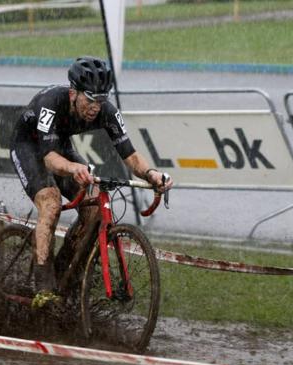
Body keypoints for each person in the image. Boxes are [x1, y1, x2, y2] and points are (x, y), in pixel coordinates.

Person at [10, 56, 174, 308]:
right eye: (90, 99)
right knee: (51, 202)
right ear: (73, 93)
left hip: (60, 145)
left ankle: (65, 271)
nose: (96, 107)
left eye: (101, 99)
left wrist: (151, 174)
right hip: (30, 147)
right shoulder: (50, 103)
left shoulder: (106, 111)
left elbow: (130, 155)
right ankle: (43, 285)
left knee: (94, 207)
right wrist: (74, 167)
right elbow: (50, 159)